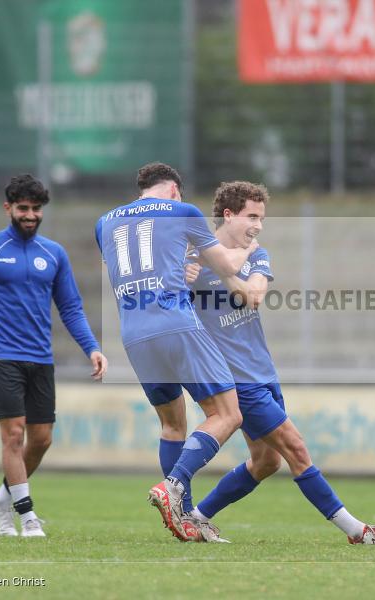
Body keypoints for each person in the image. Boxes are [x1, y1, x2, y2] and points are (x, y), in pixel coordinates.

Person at [182, 181, 375, 545]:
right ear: (228, 214)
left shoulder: (255, 253)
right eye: (252, 216)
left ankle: (198, 517)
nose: (258, 225)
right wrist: (187, 275)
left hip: (263, 372)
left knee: (267, 462)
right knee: (296, 448)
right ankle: (359, 531)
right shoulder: (190, 258)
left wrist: (222, 267)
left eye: (262, 217)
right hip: (235, 379)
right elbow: (168, 299)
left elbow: (253, 295)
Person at [95, 162, 256, 541]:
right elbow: (228, 263)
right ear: (173, 190)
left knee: (172, 425)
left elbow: (135, 263)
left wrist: (185, 263)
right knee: (228, 414)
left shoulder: (104, 222)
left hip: (133, 333)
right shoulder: (182, 211)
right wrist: (250, 242)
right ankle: (174, 484)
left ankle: (183, 519)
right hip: (175, 324)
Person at [0, 174, 107, 538]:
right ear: (8, 208)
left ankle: (1, 501)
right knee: (13, 435)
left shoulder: (53, 254)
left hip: (41, 358)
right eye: (23, 208)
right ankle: (26, 516)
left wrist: (92, 348)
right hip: (2, 357)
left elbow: (70, 307)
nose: (30, 215)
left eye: (36, 209)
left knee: (41, 439)